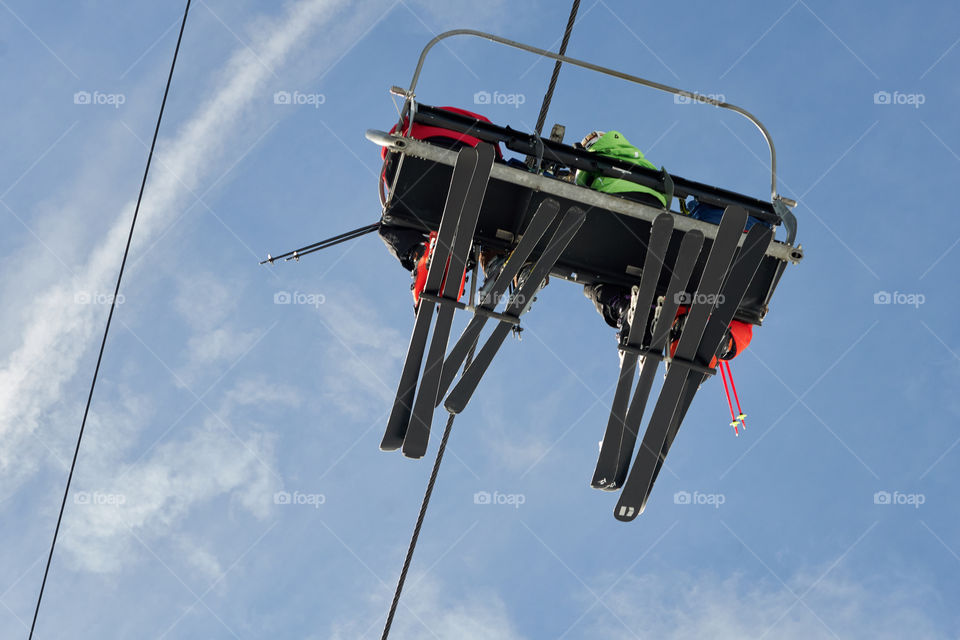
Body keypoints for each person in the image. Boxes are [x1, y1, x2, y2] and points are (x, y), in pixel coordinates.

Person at [576, 130, 668, 335]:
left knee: (591, 278)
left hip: (618, 212)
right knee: (641, 271)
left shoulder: (595, 154)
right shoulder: (639, 158)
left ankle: (621, 307)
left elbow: (579, 187)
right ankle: (650, 309)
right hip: (652, 217)